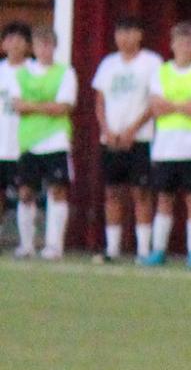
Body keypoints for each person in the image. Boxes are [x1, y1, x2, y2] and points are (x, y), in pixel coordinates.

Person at [92, 15, 163, 263]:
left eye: (130, 32)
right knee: (112, 192)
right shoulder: (108, 64)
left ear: (140, 35)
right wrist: (107, 130)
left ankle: (144, 250)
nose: (124, 38)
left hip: (140, 139)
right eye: (120, 33)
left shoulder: (152, 63)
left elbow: (154, 102)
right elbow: (99, 101)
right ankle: (112, 248)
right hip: (111, 139)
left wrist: (133, 129)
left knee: (141, 193)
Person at [143, 21, 191, 266]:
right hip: (165, 149)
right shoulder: (161, 72)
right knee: (164, 199)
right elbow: (156, 107)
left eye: (189, 42)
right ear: (172, 44)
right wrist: (183, 104)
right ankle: (158, 250)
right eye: (179, 42)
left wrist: (172, 104)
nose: (184, 47)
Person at [15, 25, 77, 259]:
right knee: (25, 192)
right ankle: (27, 244)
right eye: (40, 44)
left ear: (54, 47)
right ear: (34, 47)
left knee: (57, 190)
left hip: (56, 140)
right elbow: (18, 105)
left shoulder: (65, 73)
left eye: (48, 44)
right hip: (29, 141)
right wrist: (46, 106)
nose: (44, 49)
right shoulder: (22, 72)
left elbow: (64, 107)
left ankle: (54, 245)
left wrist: (34, 105)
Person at [0, 21, 28, 255]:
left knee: (25, 193)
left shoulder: (32, 71)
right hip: (1, 141)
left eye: (20, 40)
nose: (14, 44)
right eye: (10, 39)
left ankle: (26, 243)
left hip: (23, 144)